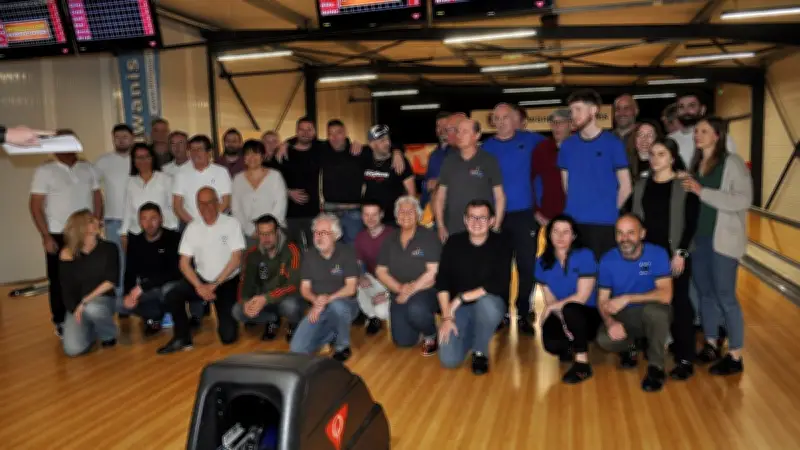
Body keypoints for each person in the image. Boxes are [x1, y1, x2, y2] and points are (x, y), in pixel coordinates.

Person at [681, 116, 751, 376]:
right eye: (696, 131)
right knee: (705, 294)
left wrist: (702, 192)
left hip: (723, 241)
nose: (697, 135)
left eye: (704, 131)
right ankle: (711, 342)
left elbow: (743, 199)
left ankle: (735, 355)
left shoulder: (731, 163)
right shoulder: (697, 164)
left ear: (717, 135)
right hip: (699, 241)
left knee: (726, 297)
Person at [631, 138, 699, 380]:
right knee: (652, 303)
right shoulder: (641, 185)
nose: (655, 158)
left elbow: (691, 222)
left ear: (672, 157)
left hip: (674, 256)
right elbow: (634, 218)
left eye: (661, 154)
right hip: (649, 255)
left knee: (679, 304)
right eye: (652, 154)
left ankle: (684, 358)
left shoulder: (684, 184)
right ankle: (655, 349)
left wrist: (681, 252)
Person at [157, 187, 245, 354]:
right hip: (201, 279)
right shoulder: (192, 228)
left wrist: (215, 284)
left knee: (229, 337)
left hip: (226, 281)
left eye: (211, 202)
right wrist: (199, 286)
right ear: (197, 206)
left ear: (218, 202)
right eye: (202, 204)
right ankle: (182, 338)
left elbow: (236, 259)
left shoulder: (231, 224)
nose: (207, 207)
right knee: (172, 294)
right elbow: (184, 263)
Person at [482, 103, 546, 334]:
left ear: (515, 119)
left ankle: (522, 311)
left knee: (526, 266)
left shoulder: (533, 141)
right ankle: (501, 313)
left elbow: (558, 148)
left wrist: (543, 207)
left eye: (505, 117)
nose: (500, 122)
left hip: (525, 215)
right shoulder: (486, 147)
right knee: (499, 268)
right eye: (496, 118)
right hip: (497, 217)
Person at [29, 146, 103, 338]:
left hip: (86, 233)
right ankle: (61, 320)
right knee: (59, 280)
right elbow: (35, 206)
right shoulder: (45, 171)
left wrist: (96, 223)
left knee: (90, 277)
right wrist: (45, 236)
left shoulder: (87, 168)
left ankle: (88, 317)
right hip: (58, 234)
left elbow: (97, 197)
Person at [595, 214, 673, 392]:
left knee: (656, 313)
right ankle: (632, 346)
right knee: (604, 339)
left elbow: (666, 295)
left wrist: (628, 297)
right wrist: (610, 322)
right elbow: (602, 300)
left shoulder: (658, 254)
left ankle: (656, 367)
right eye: (620, 233)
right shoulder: (608, 259)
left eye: (631, 233)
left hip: (652, 311)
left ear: (642, 234)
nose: (625, 239)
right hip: (625, 315)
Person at [436, 200, 511, 375]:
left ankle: (480, 350)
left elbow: (498, 283)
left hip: (489, 303)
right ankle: (476, 331)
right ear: (465, 219)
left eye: (482, 218)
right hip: (459, 308)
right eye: (472, 217)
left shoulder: (502, 243)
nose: (476, 222)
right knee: (449, 360)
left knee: (487, 305)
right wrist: (447, 317)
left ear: (492, 221)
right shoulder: (454, 242)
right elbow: (442, 281)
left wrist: (460, 299)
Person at [559, 89, 632, 258]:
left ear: (594, 110)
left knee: (603, 277)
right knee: (578, 276)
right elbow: (566, 185)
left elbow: (626, 186)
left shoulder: (613, 143)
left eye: (578, 109)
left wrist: (609, 210)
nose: (573, 115)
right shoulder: (567, 146)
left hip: (605, 224)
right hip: (575, 223)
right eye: (571, 111)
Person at [536, 214, 600, 384]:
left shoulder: (585, 255)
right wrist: (560, 318)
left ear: (574, 236)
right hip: (563, 312)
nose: (560, 236)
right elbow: (550, 300)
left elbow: (582, 297)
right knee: (552, 344)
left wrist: (552, 309)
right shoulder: (542, 262)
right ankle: (570, 344)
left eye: (566, 232)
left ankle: (582, 363)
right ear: (548, 235)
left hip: (588, 313)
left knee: (571, 309)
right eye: (555, 231)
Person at [375, 196, 441, 355]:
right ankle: (417, 325)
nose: (406, 215)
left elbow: (433, 272)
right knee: (403, 341)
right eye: (401, 212)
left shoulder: (429, 237)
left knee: (416, 309)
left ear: (418, 215)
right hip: (399, 291)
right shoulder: (389, 239)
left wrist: (409, 291)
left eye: (410, 211)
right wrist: (399, 288)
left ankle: (431, 334)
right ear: (396, 217)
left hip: (426, 290)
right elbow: (380, 271)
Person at [290, 213, 360, 361]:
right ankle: (330, 336)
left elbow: (351, 288)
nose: (318, 236)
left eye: (324, 233)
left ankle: (342, 346)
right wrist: (316, 300)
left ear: (335, 235)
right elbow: (305, 288)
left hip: (344, 304)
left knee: (338, 307)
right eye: (315, 232)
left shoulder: (347, 253)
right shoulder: (309, 255)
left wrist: (326, 299)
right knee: (297, 349)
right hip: (318, 306)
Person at [233, 214, 304, 341]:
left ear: (277, 232)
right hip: (265, 299)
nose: (266, 238)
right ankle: (272, 320)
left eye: (270, 233)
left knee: (290, 306)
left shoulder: (292, 250)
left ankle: (294, 325)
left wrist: (265, 298)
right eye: (262, 234)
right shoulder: (252, 254)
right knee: (237, 311)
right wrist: (246, 302)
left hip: (287, 297)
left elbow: (293, 285)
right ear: (257, 234)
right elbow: (246, 284)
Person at [58, 210, 119, 356]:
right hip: (78, 306)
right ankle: (92, 330)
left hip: (101, 301)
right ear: (81, 227)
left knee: (93, 308)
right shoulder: (67, 254)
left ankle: (108, 335)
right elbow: (66, 288)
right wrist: (74, 309)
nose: (97, 222)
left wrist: (84, 301)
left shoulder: (109, 248)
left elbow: (111, 281)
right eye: (91, 221)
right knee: (72, 350)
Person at [435, 118, 505, 241]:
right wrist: (440, 225)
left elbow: (499, 196)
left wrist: (496, 225)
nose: (459, 135)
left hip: (482, 229)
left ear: (477, 135)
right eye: (458, 131)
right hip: (453, 229)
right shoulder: (448, 161)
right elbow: (440, 196)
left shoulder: (489, 161)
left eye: (465, 131)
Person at [121, 203, 182, 336]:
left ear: (161, 219)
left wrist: (142, 287)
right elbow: (129, 272)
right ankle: (154, 317)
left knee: (167, 291)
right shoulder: (135, 242)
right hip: (147, 289)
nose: (149, 223)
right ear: (139, 222)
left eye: (153, 218)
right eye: (144, 219)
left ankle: (166, 314)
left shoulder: (173, 238)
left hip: (168, 285)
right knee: (118, 304)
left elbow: (175, 272)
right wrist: (127, 295)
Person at [95, 124, 135, 311]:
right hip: (113, 221)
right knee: (117, 264)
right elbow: (92, 188)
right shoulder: (103, 161)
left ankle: (137, 300)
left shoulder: (138, 159)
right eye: (117, 137)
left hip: (138, 220)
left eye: (125, 136)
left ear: (132, 138)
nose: (121, 140)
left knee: (138, 262)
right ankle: (120, 305)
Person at [319, 119, 372, 243]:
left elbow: (382, 149)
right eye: (330, 134)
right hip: (329, 212)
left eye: (338, 133)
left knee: (355, 253)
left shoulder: (359, 151)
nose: (335, 137)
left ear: (345, 133)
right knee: (331, 252)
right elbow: (303, 140)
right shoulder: (322, 150)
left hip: (353, 212)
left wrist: (396, 152)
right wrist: (286, 144)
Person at [276, 117, 323, 250]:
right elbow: (274, 181)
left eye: (309, 129)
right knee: (292, 252)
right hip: (290, 214)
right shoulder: (284, 153)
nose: (305, 132)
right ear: (296, 131)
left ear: (314, 132)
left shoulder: (319, 149)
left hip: (313, 213)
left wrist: (286, 142)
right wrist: (288, 192)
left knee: (316, 250)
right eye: (302, 129)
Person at [232, 139, 288, 247]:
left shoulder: (275, 176)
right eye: (248, 154)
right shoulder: (237, 179)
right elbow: (236, 209)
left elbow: (280, 205)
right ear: (243, 158)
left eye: (256, 153)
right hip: (248, 234)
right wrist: (250, 230)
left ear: (262, 156)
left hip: (273, 233)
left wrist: (267, 230)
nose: (252, 157)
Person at [120, 143, 179, 247]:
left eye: (146, 157)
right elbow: (127, 210)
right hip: (137, 232)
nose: (143, 161)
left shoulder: (166, 179)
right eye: (139, 157)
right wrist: (124, 233)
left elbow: (173, 207)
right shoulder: (130, 182)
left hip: (163, 231)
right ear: (133, 160)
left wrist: (173, 229)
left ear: (152, 158)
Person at [173, 135, 232, 225]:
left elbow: (226, 202)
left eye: (199, 149)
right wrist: (195, 224)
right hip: (190, 224)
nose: (195, 153)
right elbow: (177, 206)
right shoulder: (181, 173)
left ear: (209, 153)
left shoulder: (221, 172)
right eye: (192, 150)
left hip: (218, 222)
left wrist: (211, 220)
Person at [362, 125, 416, 225]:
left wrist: (409, 217)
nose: (387, 143)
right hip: (371, 220)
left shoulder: (399, 161)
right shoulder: (365, 157)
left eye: (388, 139)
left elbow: (411, 193)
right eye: (382, 140)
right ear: (372, 144)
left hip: (394, 221)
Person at [354, 202, 393, 335]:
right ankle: (372, 317)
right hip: (374, 280)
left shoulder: (393, 235)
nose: (370, 219)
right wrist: (360, 276)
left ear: (381, 215)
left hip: (394, 283)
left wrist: (388, 293)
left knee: (382, 312)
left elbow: (405, 272)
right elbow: (357, 263)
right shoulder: (360, 237)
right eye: (366, 214)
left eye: (374, 214)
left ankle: (384, 312)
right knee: (355, 281)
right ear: (362, 216)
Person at [668, 93, 736, 167]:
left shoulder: (718, 137)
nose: (686, 111)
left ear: (702, 110)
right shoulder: (670, 139)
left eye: (691, 106)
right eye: (681, 107)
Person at [530, 108, 569, 226]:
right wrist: (536, 210)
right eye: (553, 123)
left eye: (560, 123)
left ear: (571, 124)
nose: (556, 127)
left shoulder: (581, 148)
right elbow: (530, 181)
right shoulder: (541, 149)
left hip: (577, 213)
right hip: (548, 215)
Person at [422, 111, 455, 208]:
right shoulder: (433, 155)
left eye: (445, 126)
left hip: (454, 208)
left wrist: (439, 182)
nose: (441, 130)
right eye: (438, 126)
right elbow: (427, 182)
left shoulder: (461, 152)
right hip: (434, 208)